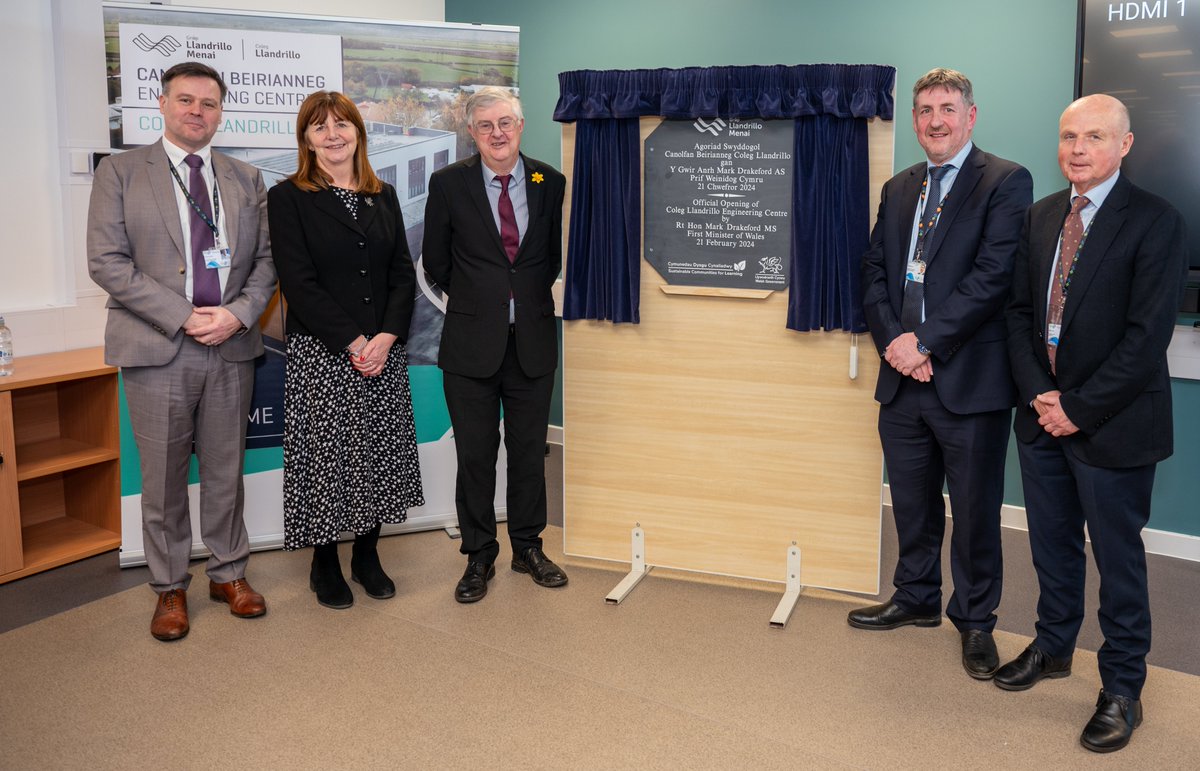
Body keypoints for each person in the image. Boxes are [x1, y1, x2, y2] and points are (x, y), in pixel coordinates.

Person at [998, 94, 1187, 753]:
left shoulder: (1156, 222)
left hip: (1113, 424)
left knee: (1118, 561)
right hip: (1043, 416)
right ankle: (1053, 648)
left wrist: (1075, 406)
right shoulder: (1041, 217)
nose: (1077, 148)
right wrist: (1042, 395)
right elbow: (1020, 316)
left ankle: (1122, 687)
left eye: (1095, 136)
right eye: (1068, 136)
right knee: (1051, 546)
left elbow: (1145, 340)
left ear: (1125, 145)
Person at [87, 61, 276, 641]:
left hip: (230, 343)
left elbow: (268, 262)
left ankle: (229, 573)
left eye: (209, 103)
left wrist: (238, 314)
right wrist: (182, 315)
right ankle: (169, 587)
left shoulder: (245, 178)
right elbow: (107, 262)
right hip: (158, 345)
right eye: (186, 100)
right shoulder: (121, 171)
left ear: (222, 112)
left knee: (225, 471)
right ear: (163, 105)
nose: (198, 111)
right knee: (165, 477)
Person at [854, 68, 1033, 679]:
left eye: (948, 108)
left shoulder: (1006, 181)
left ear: (971, 115)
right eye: (926, 109)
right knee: (911, 501)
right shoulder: (899, 187)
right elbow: (875, 271)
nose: (936, 120)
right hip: (901, 378)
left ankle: (976, 620)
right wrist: (896, 345)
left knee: (976, 509)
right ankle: (916, 597)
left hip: (969, 380)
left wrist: (925, 342)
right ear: (915, 118)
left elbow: (993, 277)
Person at [268, 91, 425, 609]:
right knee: (326, 460)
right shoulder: (289, 197)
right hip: (324, 352)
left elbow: (403, 273)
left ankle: (366, 554)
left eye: (342, 124)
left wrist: (385, 336)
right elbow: (298, 281)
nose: (333, 134)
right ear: (306, 140)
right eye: (320, 127)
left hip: (382, 350)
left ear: (359, 132)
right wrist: (354, 340)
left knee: (377, 456)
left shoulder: (382, 195)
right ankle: (324, 562)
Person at [422, 87, 567, 603]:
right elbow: (436, 261)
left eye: (505, 122)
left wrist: (517, 297)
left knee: (529, 453)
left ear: (521, 126)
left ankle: (529, 547)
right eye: (485, 125)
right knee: (477, 457)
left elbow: (546, 259)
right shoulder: (448, 185)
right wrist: (483, 300)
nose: (497, 133)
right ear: (472, 133)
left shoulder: (550, 181)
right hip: (470, 346)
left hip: (531, 343)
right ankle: (479, 555)